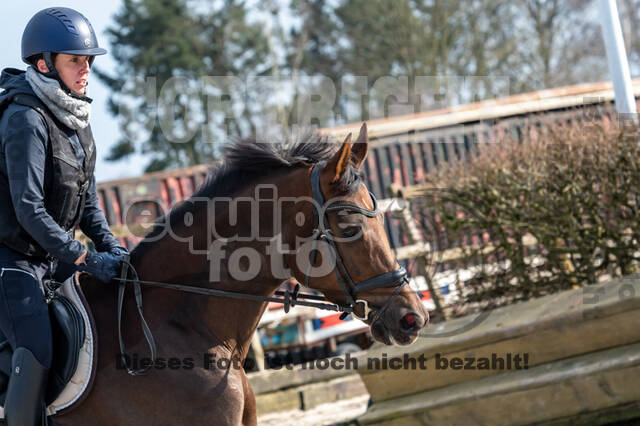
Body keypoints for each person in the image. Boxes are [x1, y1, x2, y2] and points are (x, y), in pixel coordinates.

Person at [0, 7, 127, 425]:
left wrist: (111, 247)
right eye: (75, 60)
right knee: (38, 347)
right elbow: (29, 209)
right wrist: (85, 258)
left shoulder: (76, 117)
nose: (85, 69)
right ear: (44, 64)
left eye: (88, 60)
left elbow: (88, 203)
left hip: (49, 257)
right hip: (11, 261)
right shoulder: (25, 119)